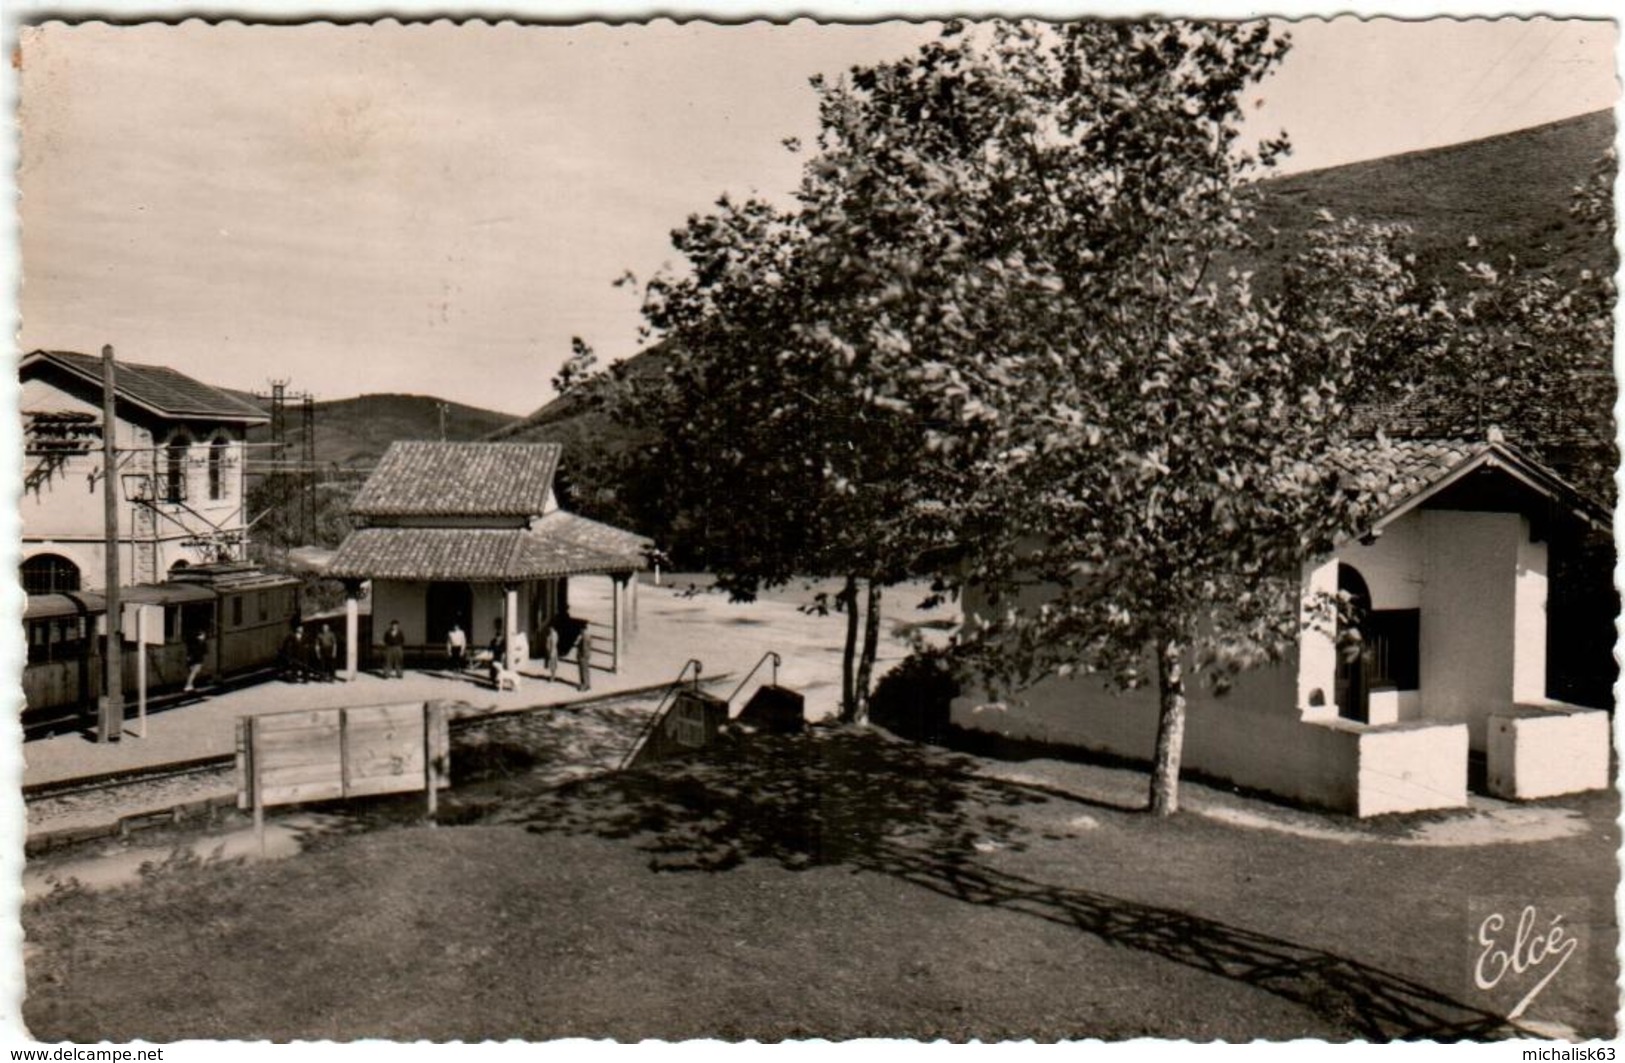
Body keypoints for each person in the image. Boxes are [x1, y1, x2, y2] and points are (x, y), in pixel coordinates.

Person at [182, 628, 207, 693]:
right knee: (194, 672)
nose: (204, 637)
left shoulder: (194, 642)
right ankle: (188, 685)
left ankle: (190, 685)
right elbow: (203, 651)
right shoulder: (199, 643)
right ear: (199, 636)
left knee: (192, 672)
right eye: (203, 635)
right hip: (196, 659)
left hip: (192, 659)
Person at [576, 619, 592, 693]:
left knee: (583, 670)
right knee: (586, 670)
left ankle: (584, 685)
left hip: (583, 656)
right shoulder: (587, 635)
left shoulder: (584, 637)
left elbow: (584, 648)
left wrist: (581, 656)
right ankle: (587, 684)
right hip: (586, 655)